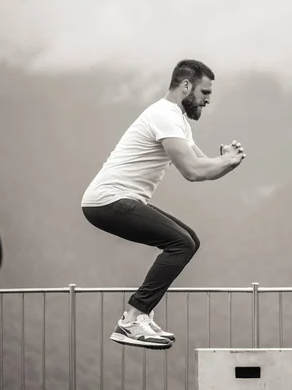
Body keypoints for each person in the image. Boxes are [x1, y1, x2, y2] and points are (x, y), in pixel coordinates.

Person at [81, 59, 246, 350]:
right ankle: (134, 318)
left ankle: (138, 315)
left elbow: (203, 165)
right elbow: (193, 172)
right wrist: (225, 161)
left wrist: (227, 162)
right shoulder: (164, 115)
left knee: (190, 240)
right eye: (204, 93)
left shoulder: (177, 120)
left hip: (117, 200)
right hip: (108, 200)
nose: (207, 101)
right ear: (186, 86)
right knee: (181, 243)